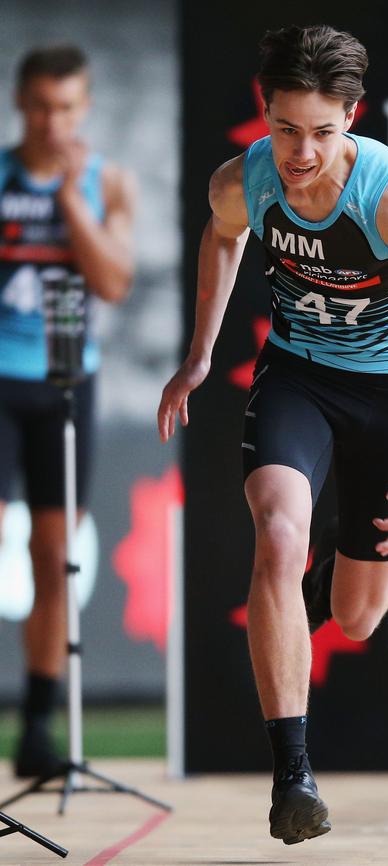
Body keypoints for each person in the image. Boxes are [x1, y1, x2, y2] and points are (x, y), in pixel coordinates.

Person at [158, 24, 388, 845]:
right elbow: (222, 239)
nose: (302, 154)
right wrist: (198, 358)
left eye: (323, 132)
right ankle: (293, 777)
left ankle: (340, 553)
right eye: (286, 128)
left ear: (353, 119)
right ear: (266, 113)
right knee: (274, 537)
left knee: (359, 616)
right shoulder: (245, 179)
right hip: (296, 375)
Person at [0, 45, 136, 777]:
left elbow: (114, 280)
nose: (54, 122)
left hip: (64, 383)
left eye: (67, 108)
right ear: (22, 105)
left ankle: (39, 728)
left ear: (84, 111)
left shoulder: (106, 180)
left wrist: (68, 201)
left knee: (54, 556)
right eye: (41, 107)